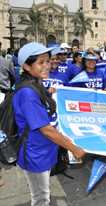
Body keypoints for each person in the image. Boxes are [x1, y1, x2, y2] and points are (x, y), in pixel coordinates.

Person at [13, 42, 86, 206]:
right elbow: (46, 130)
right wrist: (73, 148)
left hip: (43, 151)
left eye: (47, 60)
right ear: (26, 66)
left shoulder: (35, 83)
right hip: (35, 154)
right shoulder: (27, 93)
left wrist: (50, 92)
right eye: (41, 62)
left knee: (43, 193)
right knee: (41, 198)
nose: (47, 65)